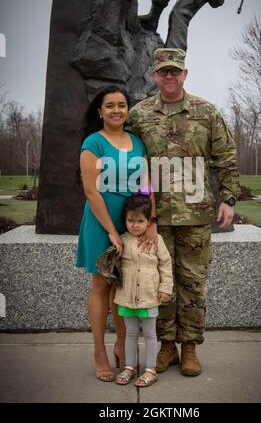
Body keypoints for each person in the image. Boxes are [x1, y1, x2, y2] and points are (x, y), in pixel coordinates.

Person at [126, 48, 240, 376]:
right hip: (155, 216)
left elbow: (227, 156)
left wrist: (228, 200)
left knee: (193, 281)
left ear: (185, 74)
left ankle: (189, 348)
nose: (169, 76)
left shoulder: (206, 112)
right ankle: (165, 347)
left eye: (175, 71)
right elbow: (128, 156)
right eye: (163, 71)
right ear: (154, 76)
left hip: (196, 213)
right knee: (157, 280)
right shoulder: (140, 114)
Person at [76, 86, 157, 382]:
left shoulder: (137, 143)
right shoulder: (93, 143)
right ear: (100, 111)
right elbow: (90, 189)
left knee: (121, 289)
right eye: (109, 105)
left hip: (131, 221)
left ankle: (122, 348)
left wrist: (152, 220)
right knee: (101, 286)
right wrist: (111, 231)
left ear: (127, 110)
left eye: (121, 105)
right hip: (102, 223)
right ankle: (99, 352)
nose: (116, 110)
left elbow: (146, 185)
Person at [114, 193, 173, 387]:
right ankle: (129, 367)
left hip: (149, 296)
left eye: (140, 220)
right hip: (127, 297)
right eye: (130, 220)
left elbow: (165, 264)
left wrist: (166, 288)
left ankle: (150, 369)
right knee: (130, 333)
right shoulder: (122, 240)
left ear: (149, 222)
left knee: (149, 333)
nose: (135, 225)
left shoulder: (157, 240)